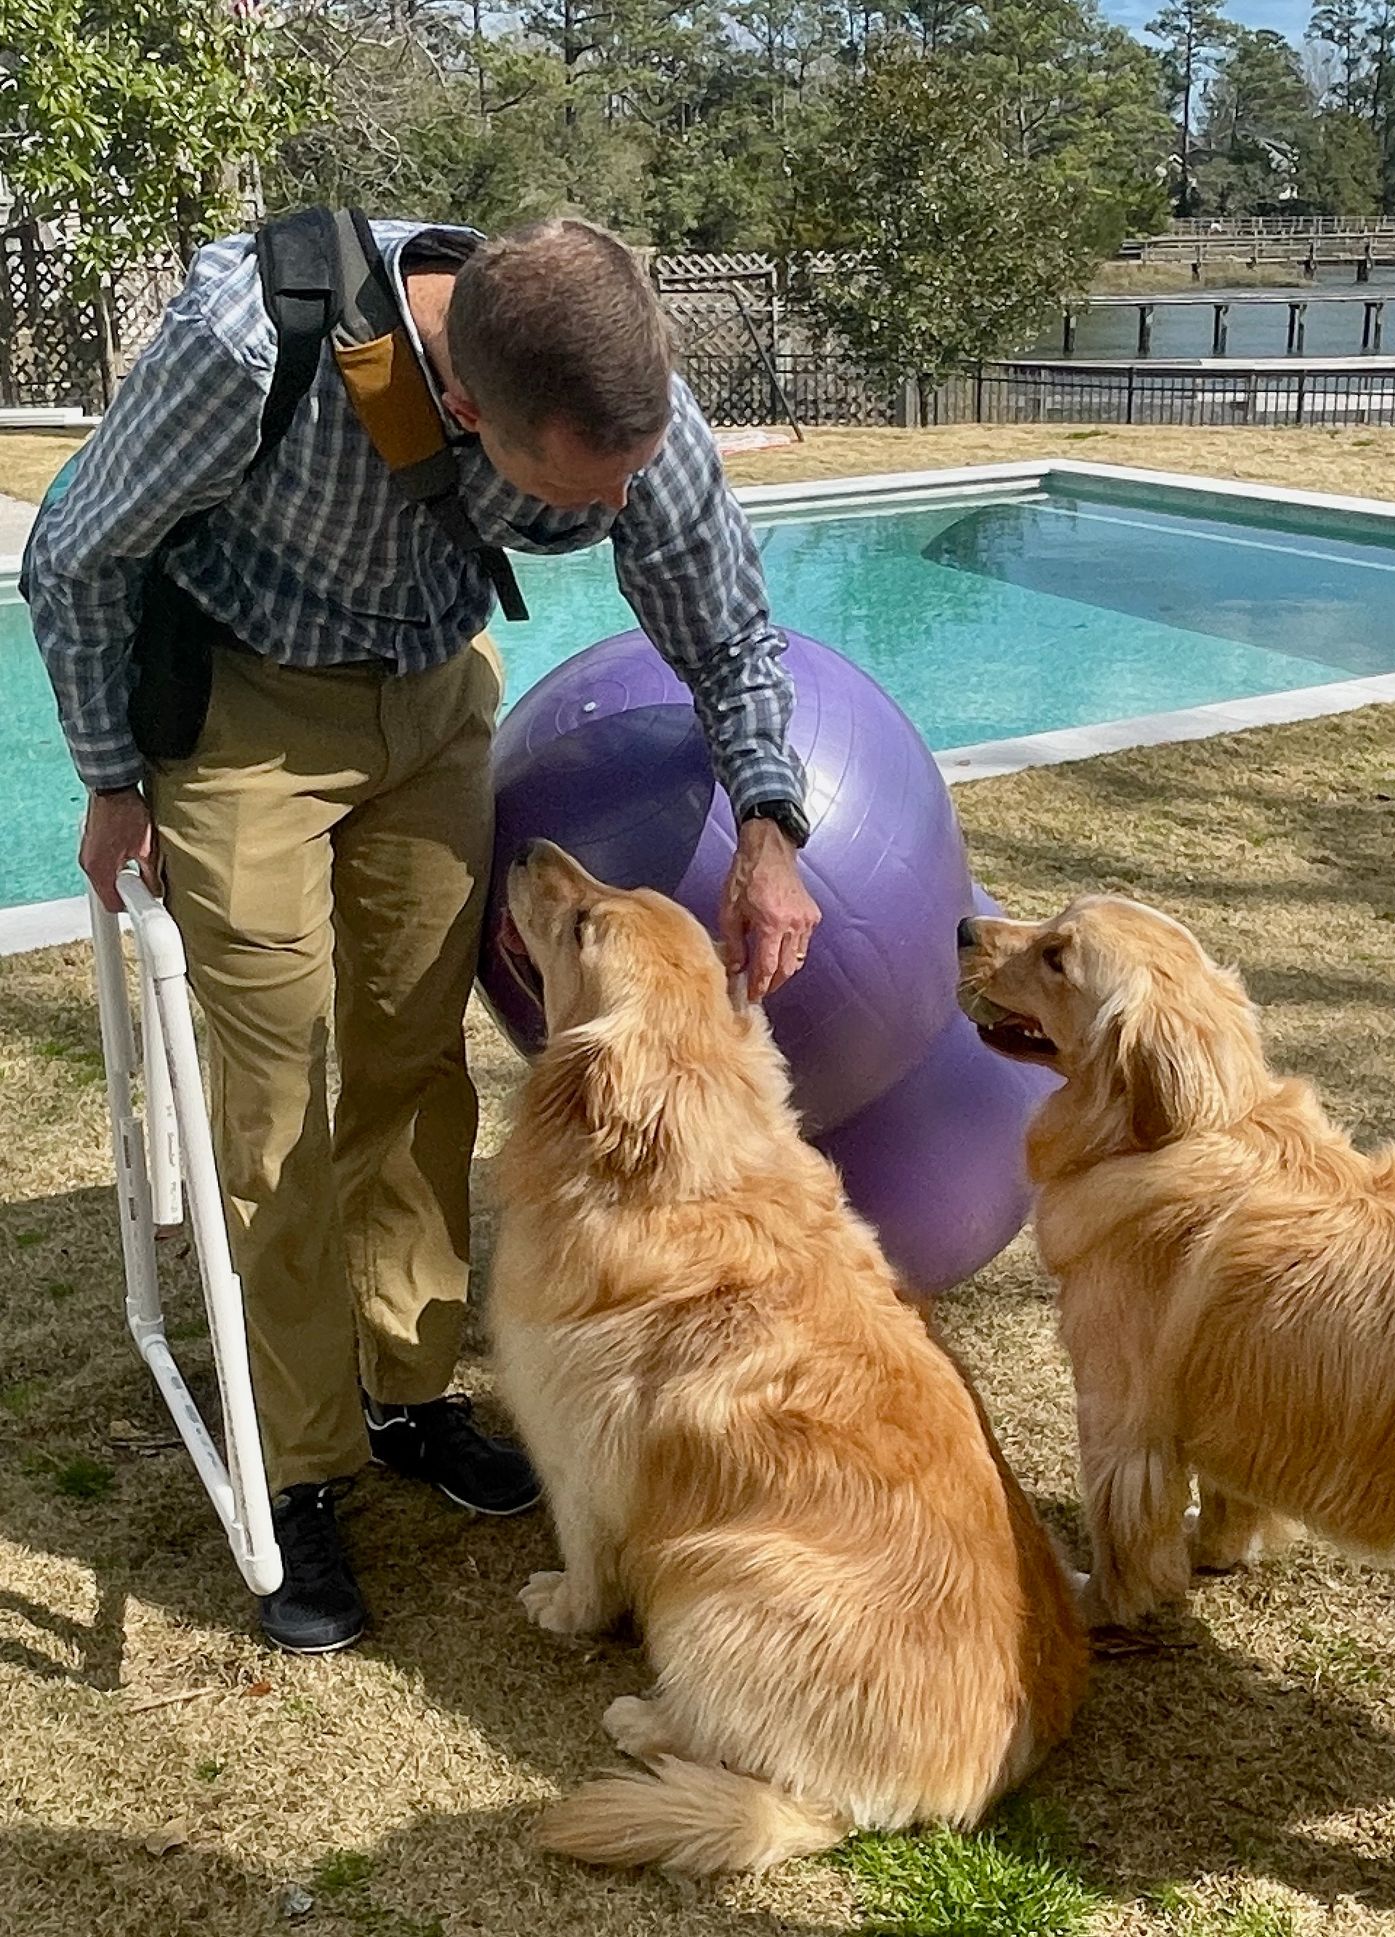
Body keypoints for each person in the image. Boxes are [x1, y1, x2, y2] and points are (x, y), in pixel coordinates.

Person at [25, 215, 821, 1654]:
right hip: (246, 711)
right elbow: (76, 550)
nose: (619, 509)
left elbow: (718, 608)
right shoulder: (241, 341)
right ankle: (302, 1460)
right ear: (465, 410)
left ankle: (404, 1383)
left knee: (414, 1055)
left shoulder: (608, 373)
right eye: (583, 498)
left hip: (435, 694)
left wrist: (770, 815)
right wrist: (109, 775)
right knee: (265, 1099)